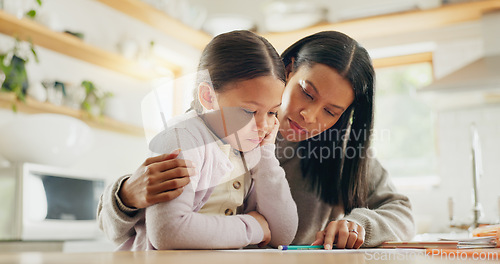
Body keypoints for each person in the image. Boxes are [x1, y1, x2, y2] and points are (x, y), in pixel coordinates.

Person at [98, 31, 415, 250]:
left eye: (331, 112)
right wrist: (125, 196)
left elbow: (401, 211)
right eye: (306, 93)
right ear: (288, 70)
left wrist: (360, 225)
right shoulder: (219, 128)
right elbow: (120, 225)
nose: (310, 115)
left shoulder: (342, 153)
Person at [103, 30, 298, 250]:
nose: (264, 126)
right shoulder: (184, 138)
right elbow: (169, 232)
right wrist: (252, 227)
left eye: (272, 113)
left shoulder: (247, 148)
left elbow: (282, 234)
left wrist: (266, 155)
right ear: (208, 96)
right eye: (248, 111)